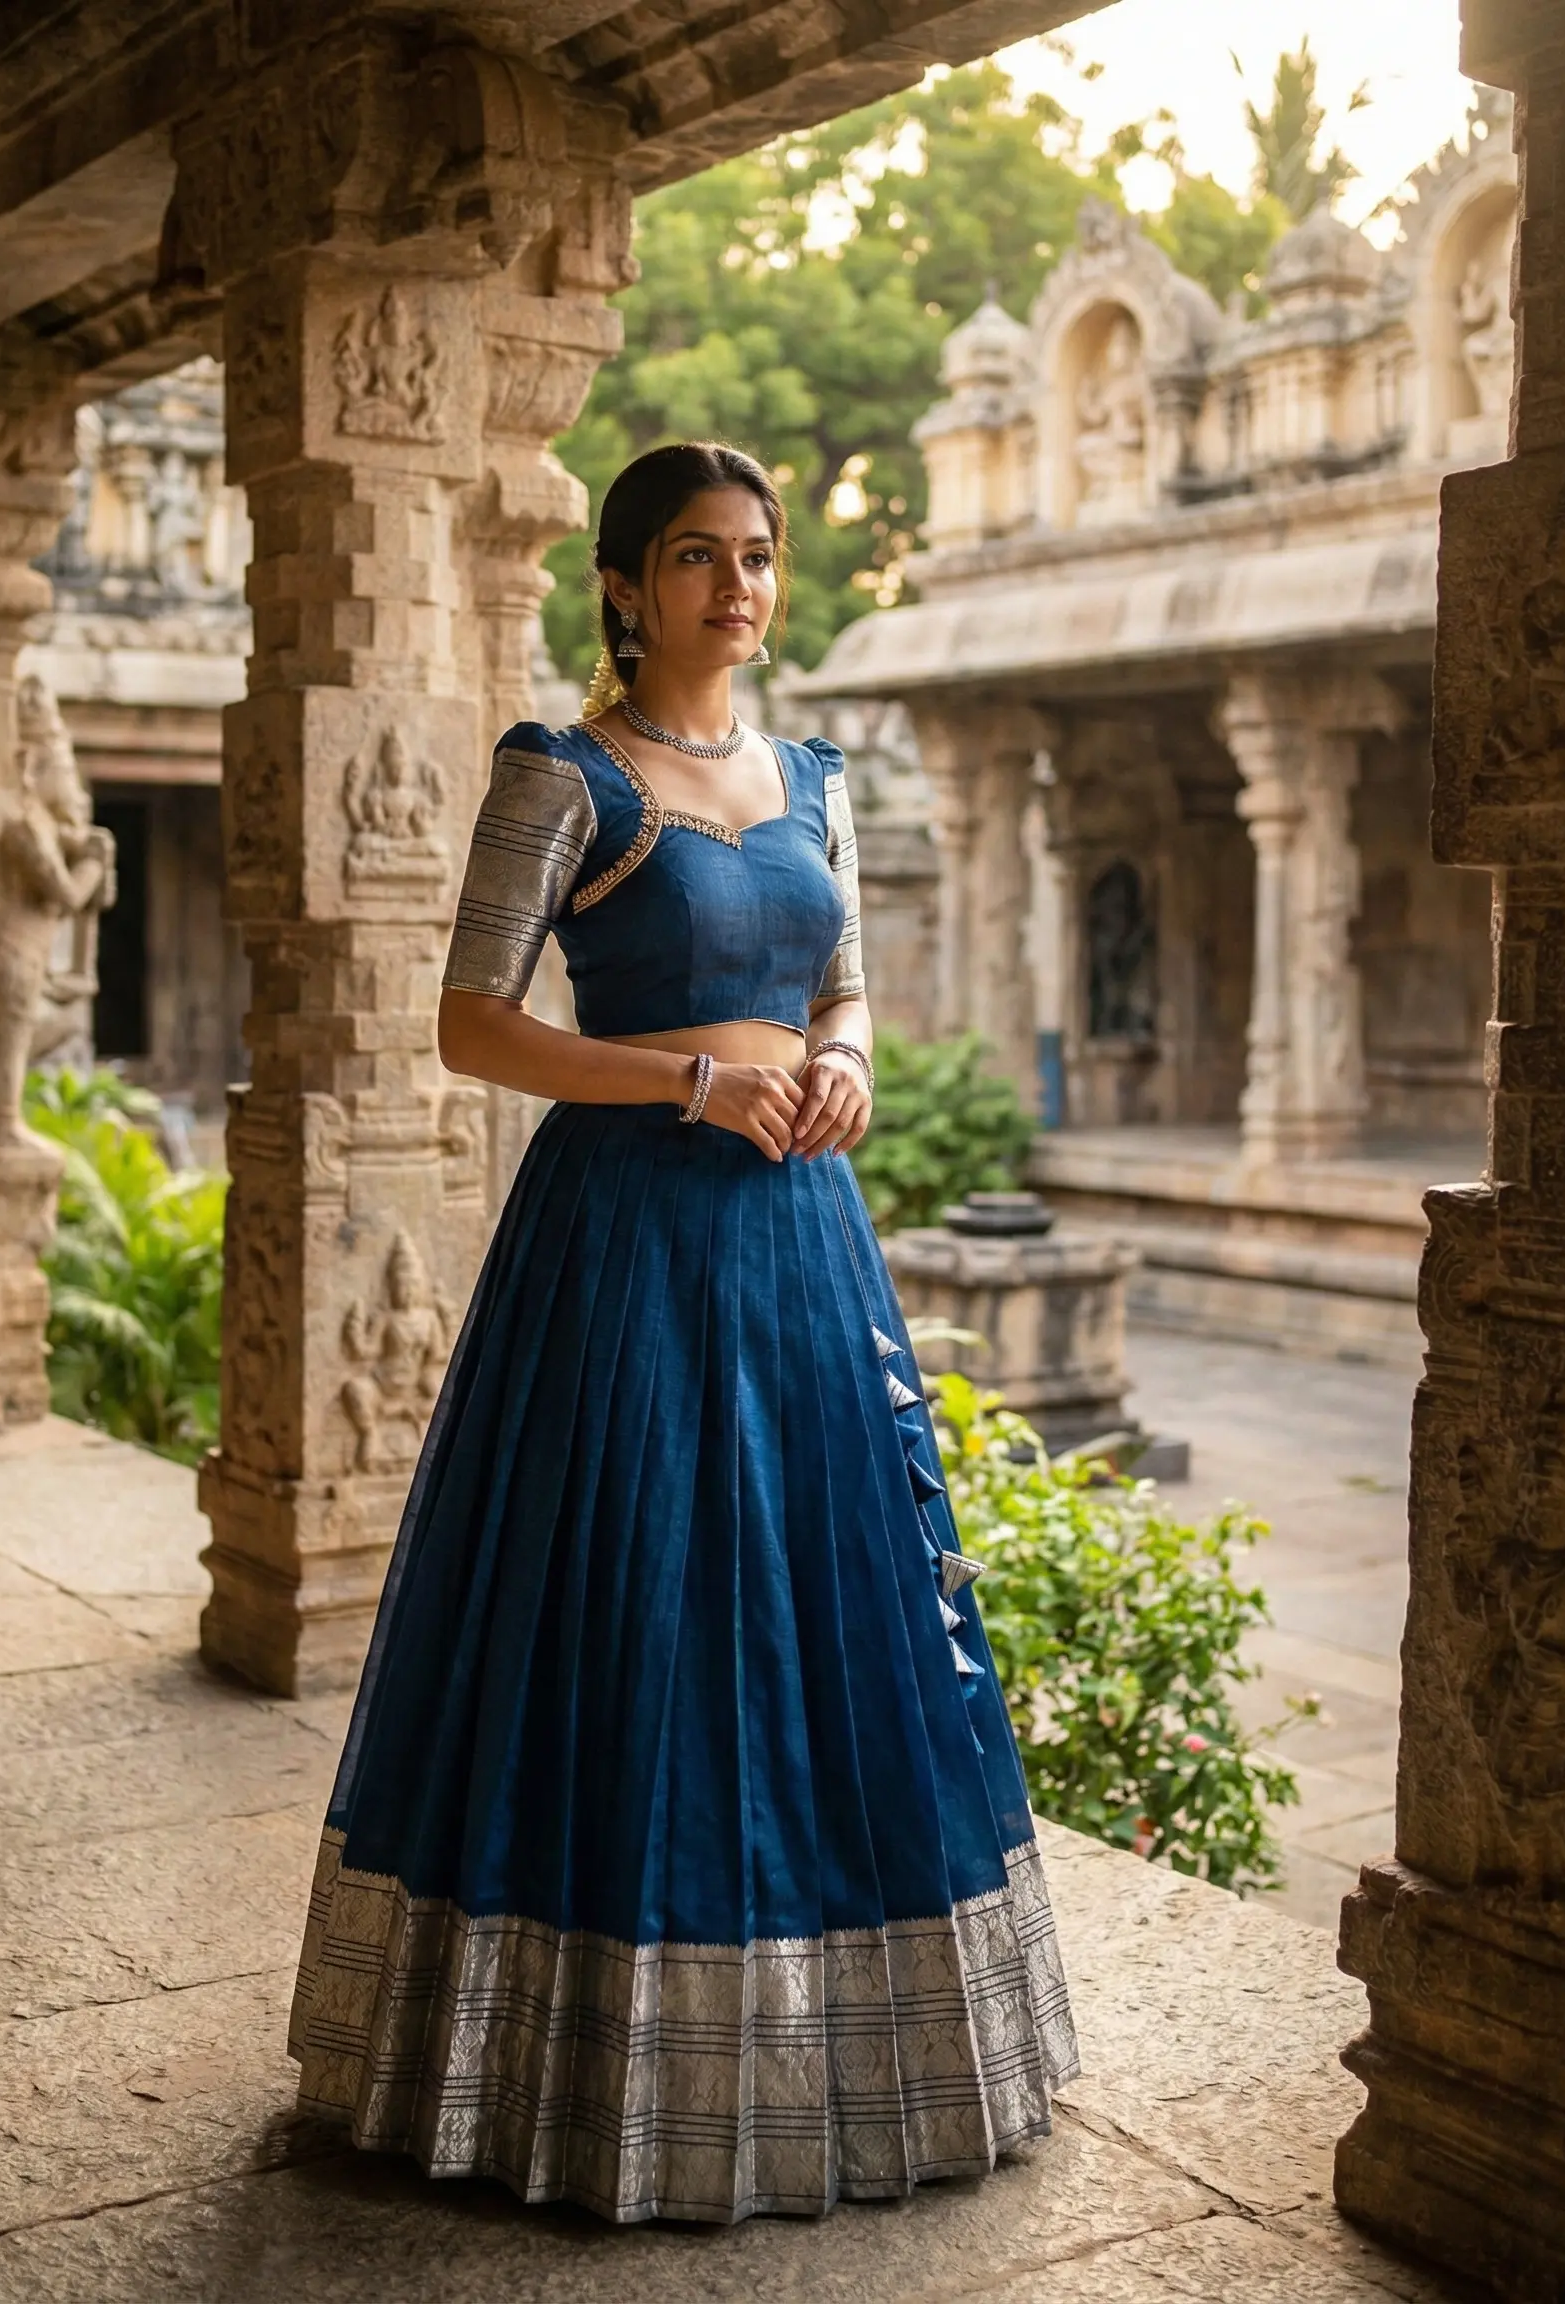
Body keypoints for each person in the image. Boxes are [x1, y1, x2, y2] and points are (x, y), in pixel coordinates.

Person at [288, 440, 1078, 2225]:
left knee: (831, 1594)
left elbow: (840, 978)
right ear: (626, 588)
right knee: (634, 1592)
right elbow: (473, 1028)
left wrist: (849, 1059)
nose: (737, 586)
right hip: (626, 1243)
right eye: (697, 557)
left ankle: (846, 2059)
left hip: (801, 1236)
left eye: (759, 555)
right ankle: (581, 2069)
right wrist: (688, 1080)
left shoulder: (813, 778)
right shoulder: (560, 778)